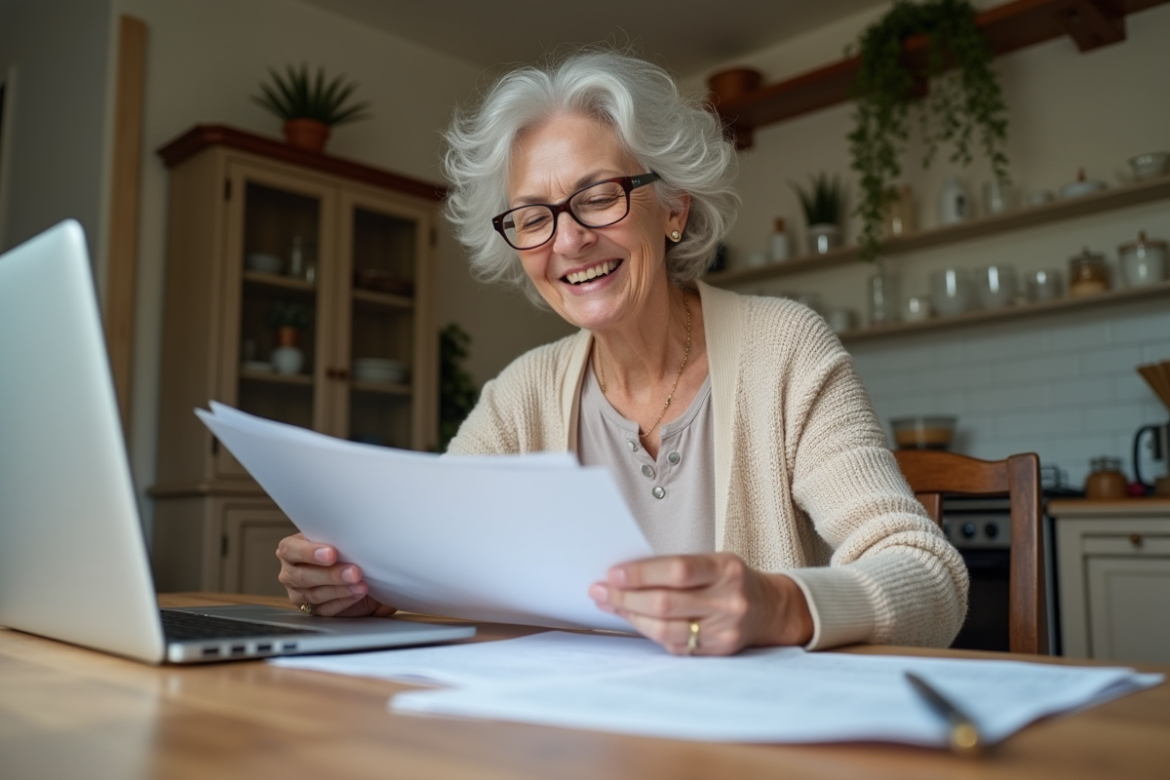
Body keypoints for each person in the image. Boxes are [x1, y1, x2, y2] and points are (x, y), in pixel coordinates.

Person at [276, 48, 968, 656]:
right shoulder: (519, 398)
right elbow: (431, 563)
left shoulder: (783, 350)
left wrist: (778, 605)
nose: (568, 240)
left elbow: (929, 576)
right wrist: (362, 585)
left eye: (599, 197)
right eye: (532, 217)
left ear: (672, 208)